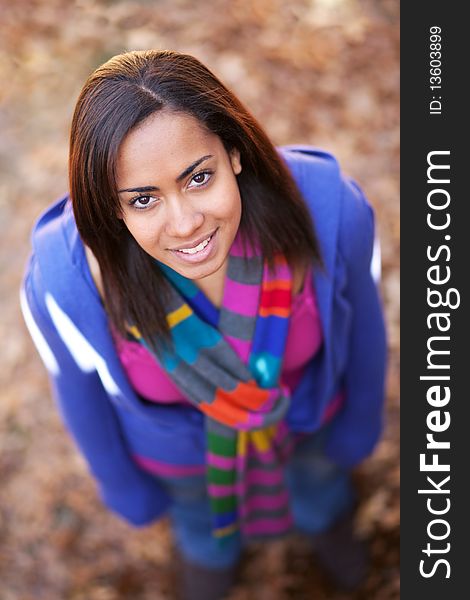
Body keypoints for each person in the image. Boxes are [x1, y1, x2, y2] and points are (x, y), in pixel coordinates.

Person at [21, 50, 387, 600]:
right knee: (205, 546)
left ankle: (332, 535)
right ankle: (212, 560)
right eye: (143, 199)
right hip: (185, 468)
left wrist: (361, 419)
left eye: (198, 177)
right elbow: (76, 386)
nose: (186, 222)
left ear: (233, 152)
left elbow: (364, 323)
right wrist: (120, 484)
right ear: (112, 208)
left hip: (309, 424)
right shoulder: (65, 283)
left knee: (322, 497)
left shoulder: (329, 210)